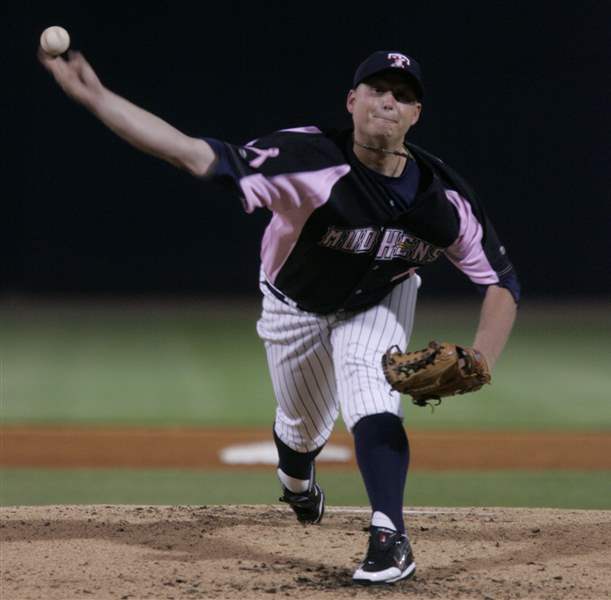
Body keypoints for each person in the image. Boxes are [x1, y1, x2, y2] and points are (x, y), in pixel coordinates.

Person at [39, 47, 519, 585]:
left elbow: (501, 282)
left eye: (404, 96)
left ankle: (390, 537)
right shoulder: (306, 159)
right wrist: (97, 97)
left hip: (381, 299)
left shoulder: (443, 197)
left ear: (416, 115)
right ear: (352, 101)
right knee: (300, 430)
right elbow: (191, 154)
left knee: (372, 398)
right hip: (293, 306)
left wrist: (481, 356)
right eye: (378, 90)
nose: (389, 102)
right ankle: (297, 482)